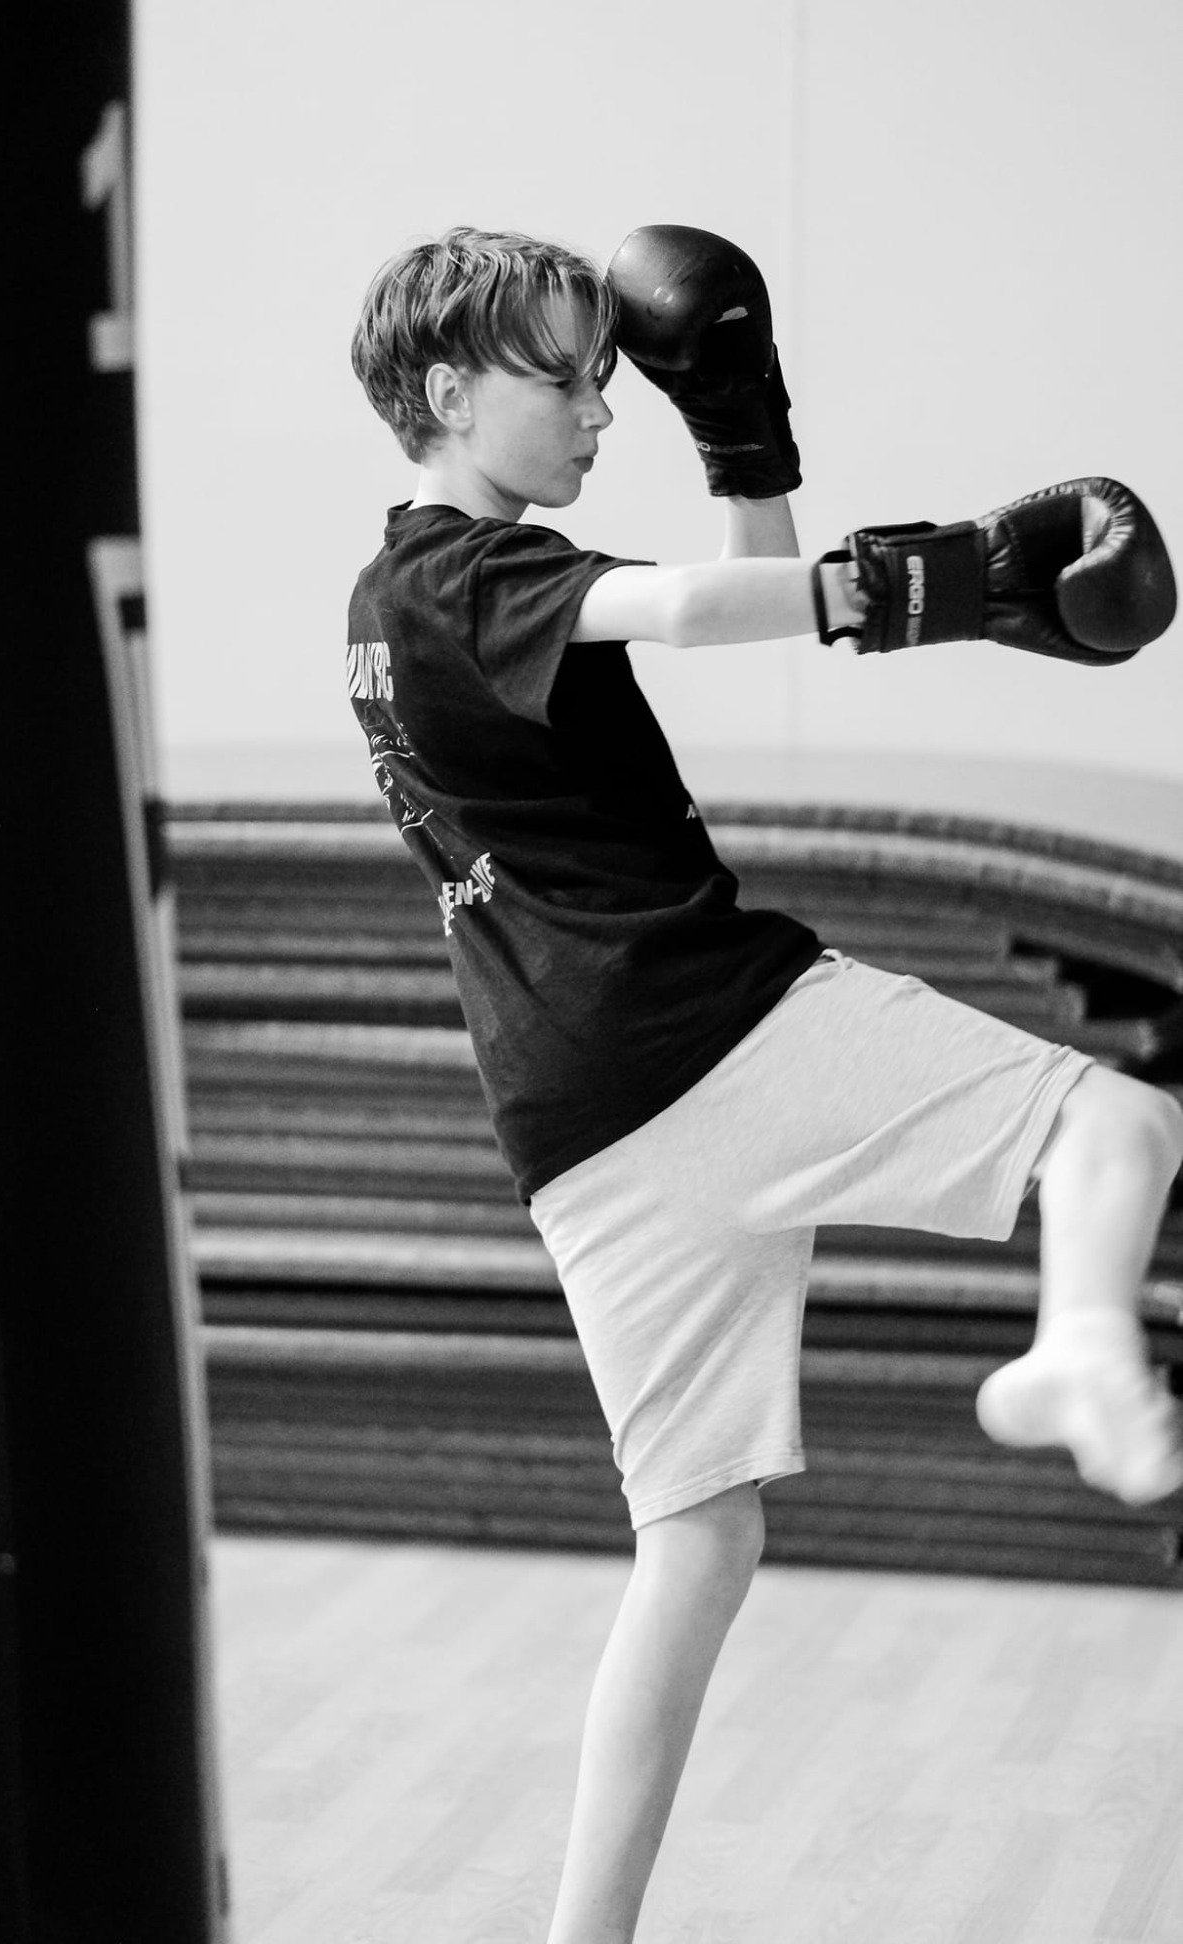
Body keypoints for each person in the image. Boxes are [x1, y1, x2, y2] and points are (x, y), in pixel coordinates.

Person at [346, 222, 1183, 1944]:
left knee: (696, 1548)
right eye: (562, 381)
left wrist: (743, 435)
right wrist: (912, 584)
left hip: (580, 1129)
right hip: (704, 1023)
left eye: (609, 380)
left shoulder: (398, 604)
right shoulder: (460, 575)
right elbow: (686, 605)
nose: (597, 412)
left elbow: (732, 594)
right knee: (1120, 1122)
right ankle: (1078, 1352)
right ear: (447, 391)